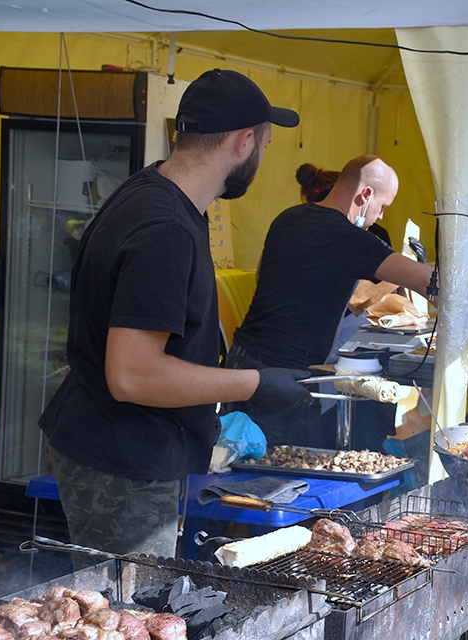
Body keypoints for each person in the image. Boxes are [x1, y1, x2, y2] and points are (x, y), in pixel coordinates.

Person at [38, 69, 314, 567]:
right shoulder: (165, 228)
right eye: (266, 146)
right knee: (126, 613)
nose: (262, 157)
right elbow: (131, 374)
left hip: (115, 444)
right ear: (243, 141)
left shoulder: (150, 191)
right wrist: (250, 384)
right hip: (123, 458)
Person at [225, 155, 436, 449]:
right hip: (282, 379)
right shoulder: (350, 239)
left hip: (242, 362)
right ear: (365, 195)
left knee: (230, 465)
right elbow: (429, 282)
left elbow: (262, 276)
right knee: (275, 479)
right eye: (383, 206)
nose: (382, 216)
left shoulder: (288, 218)